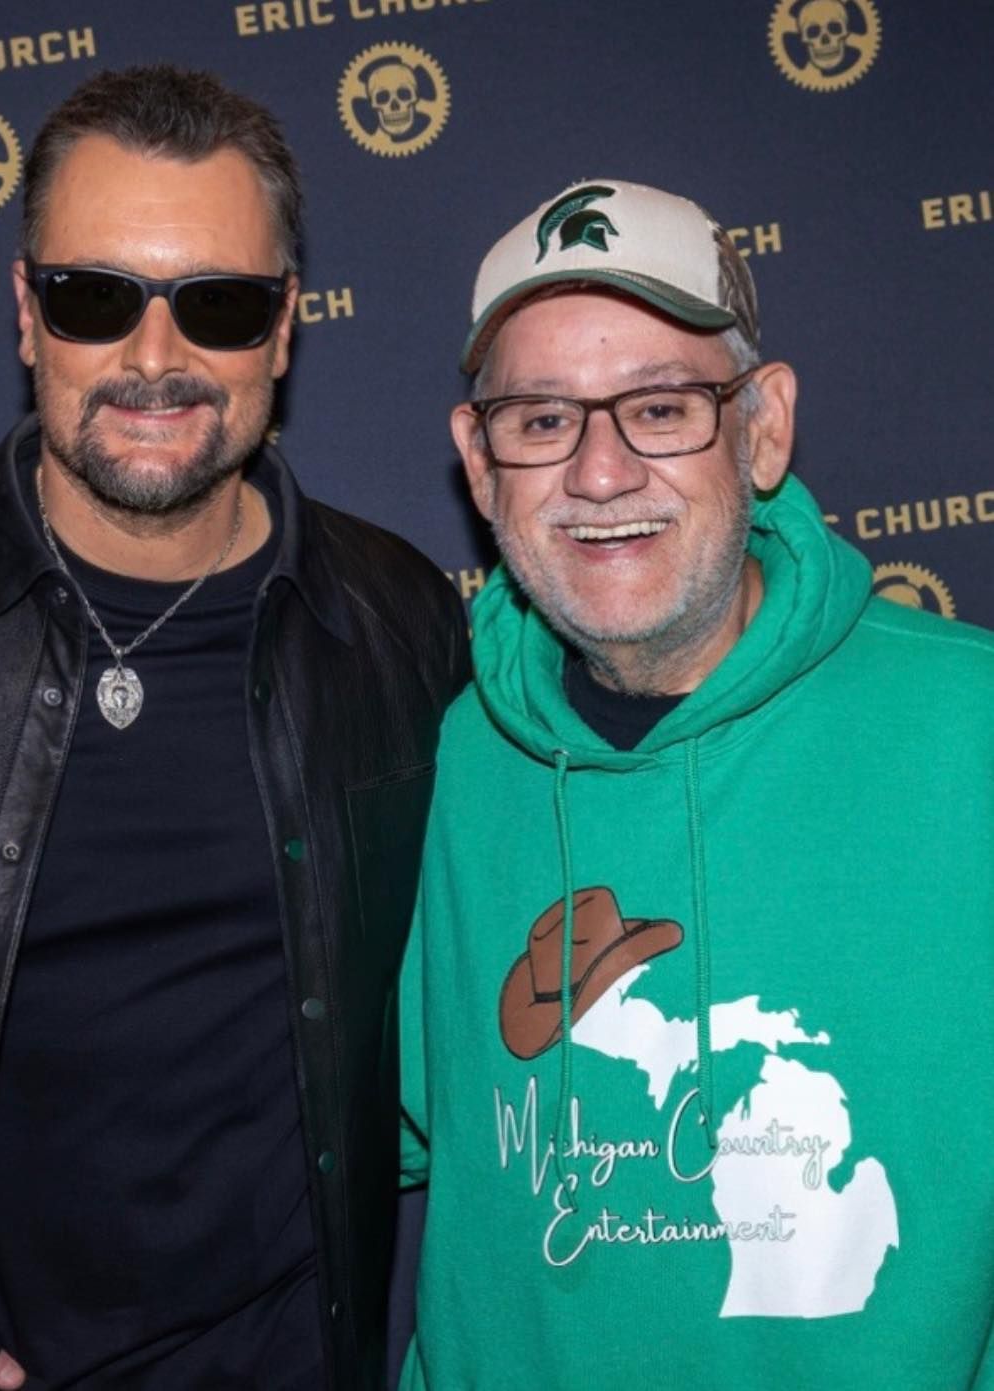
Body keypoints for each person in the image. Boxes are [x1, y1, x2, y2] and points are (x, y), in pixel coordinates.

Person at [0, 65, 467, 1391]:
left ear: (284, 328)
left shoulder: (397, 620)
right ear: (27, 314)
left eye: (218, 304)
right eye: (95, 297)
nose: (154, 359)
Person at [399, 178, 994, 1389]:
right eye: (541, 419)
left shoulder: (968, 729)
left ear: (762, 429)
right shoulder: (447, 757)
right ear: (479, 459)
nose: (600, 472)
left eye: (661, 408)